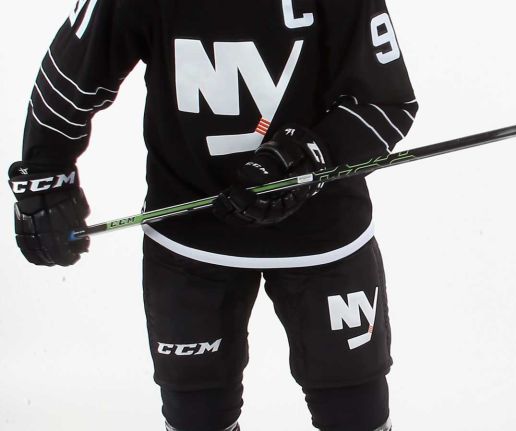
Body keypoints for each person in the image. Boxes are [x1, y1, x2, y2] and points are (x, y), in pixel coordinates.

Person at [8, 0, 417, 430]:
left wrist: (309, 155)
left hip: (323, 235)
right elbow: (72, 73)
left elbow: (388, 101)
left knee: (354, 411)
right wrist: (45, 173)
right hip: (190, 238)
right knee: (196, 416)